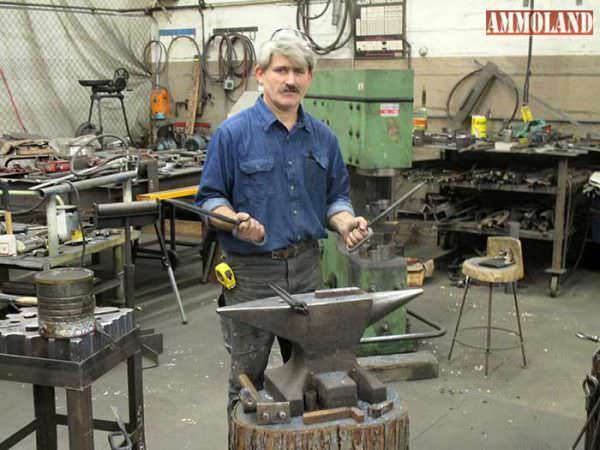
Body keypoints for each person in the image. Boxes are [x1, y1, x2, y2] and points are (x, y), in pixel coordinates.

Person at [195, 33, 369, 422]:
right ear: (261, 74)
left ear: (310, 78)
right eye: (281, 70)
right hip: (251, 276)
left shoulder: (324, 138)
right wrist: (234, 222)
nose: (290, 80)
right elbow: (209, 200)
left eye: (299, 72)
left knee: (314, 376)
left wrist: (345, 223)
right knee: (247, 382)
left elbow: (335, 199)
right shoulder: (232, 135)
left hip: (307, 268)